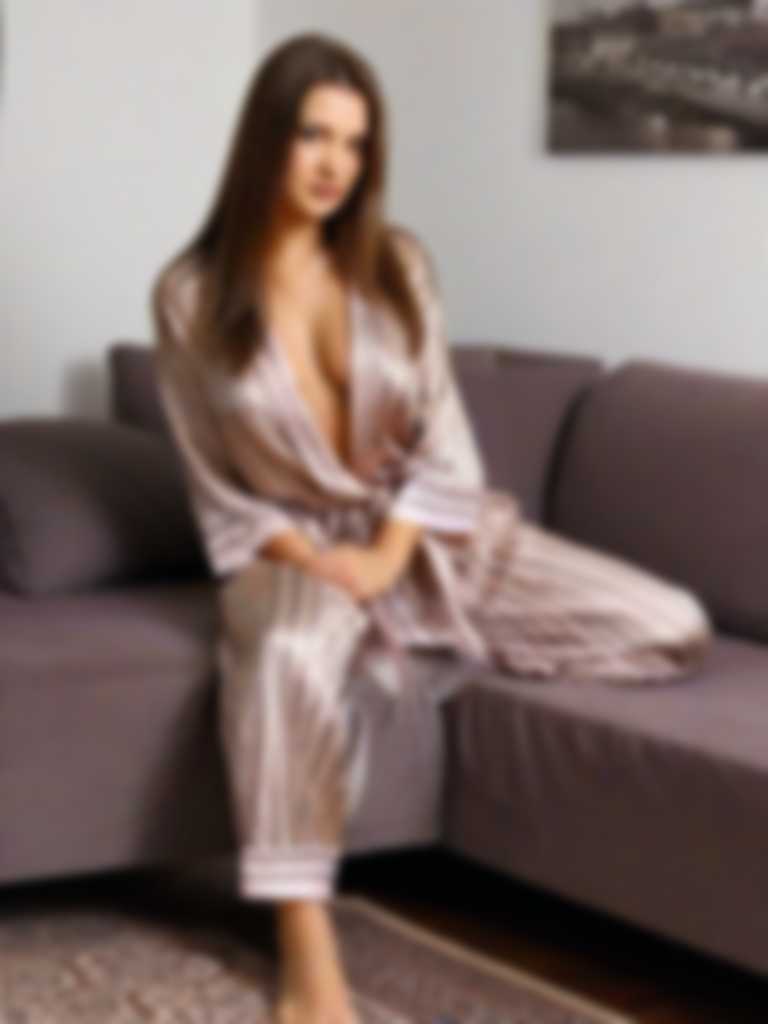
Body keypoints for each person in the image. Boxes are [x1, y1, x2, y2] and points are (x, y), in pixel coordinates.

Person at [149, 31, 714, 1024]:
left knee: (670, 623)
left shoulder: (398, 264)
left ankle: (421, 643)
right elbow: (216, 484)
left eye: (355, 143)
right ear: (264, 139)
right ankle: (306, 943)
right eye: (313, 135)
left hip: (419, 537)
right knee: (284, 652)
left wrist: (385, 560)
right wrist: (316, 561)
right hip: (287, 549)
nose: (334, 164)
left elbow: (445, 442)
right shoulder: (190, 296)